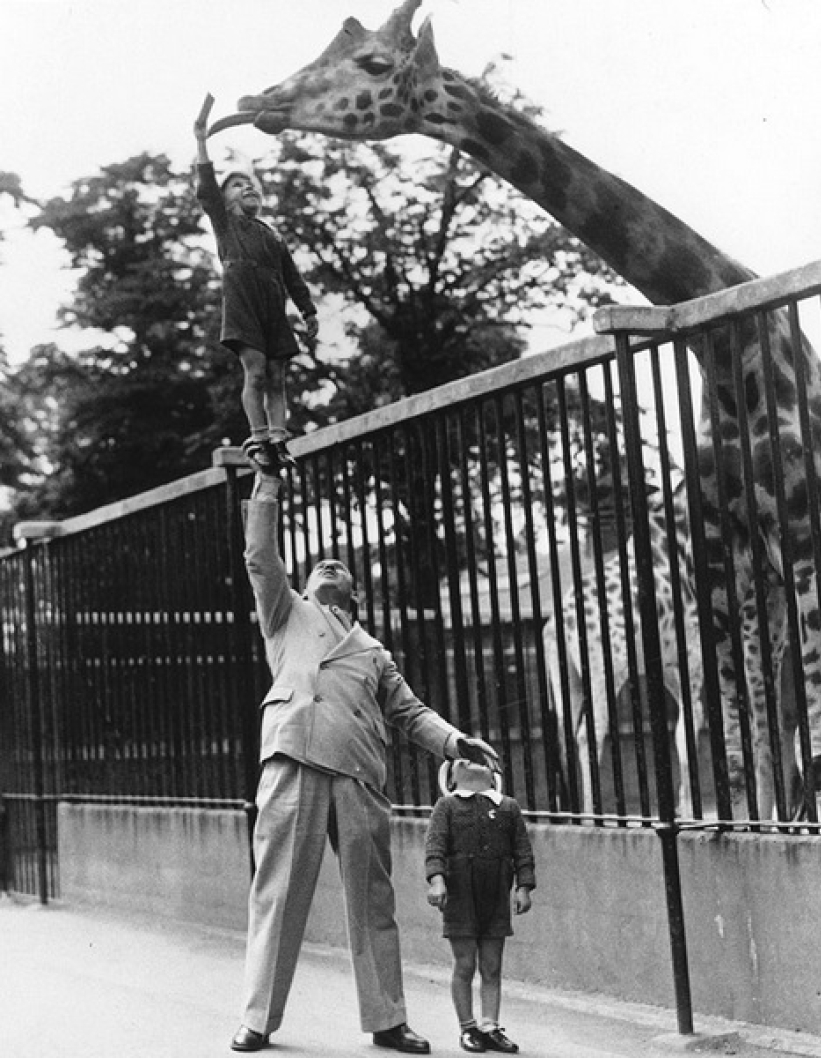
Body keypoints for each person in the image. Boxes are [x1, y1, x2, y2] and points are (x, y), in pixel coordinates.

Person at [230, 460, 500, 1054]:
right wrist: (268, 480)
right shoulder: (286, 614)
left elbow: (410, 712)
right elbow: (258, 555)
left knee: (374, 901)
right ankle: (257, 1018)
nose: (330, 565)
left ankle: (386, 1019)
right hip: (294, 761)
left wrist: (456, 741)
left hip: (358, 775)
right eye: (318, 566)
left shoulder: (375, 650)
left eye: (341, 567)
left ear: (354, 594)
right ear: (301, 586)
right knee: (277, 894)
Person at [194, 94, 318, 471]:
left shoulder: (272, 235)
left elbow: (293, 278)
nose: (246, 188)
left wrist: (308, 312)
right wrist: (201, 141)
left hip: (272, 307)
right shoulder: (225, 224)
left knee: (278, 375)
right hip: (244, 305)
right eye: (236, 186)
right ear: (225, 199)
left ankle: (280, 438)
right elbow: (207, 187)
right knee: (257, 370)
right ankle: (260, 436)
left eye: (250, 185)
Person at [425, 759, 536, 1054]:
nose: (471, 760)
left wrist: (523, 886)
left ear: (493, 773)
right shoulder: (446, 806)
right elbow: (435, 847)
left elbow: (522, 850)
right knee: (465, 964)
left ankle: (490, 1026)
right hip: (461, 896)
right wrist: (437, 881)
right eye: (463, 758)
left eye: (479, 758)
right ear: (452, 775)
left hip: (495, 896)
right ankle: (467, 1027)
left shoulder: (508, 807)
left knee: (492, 965)